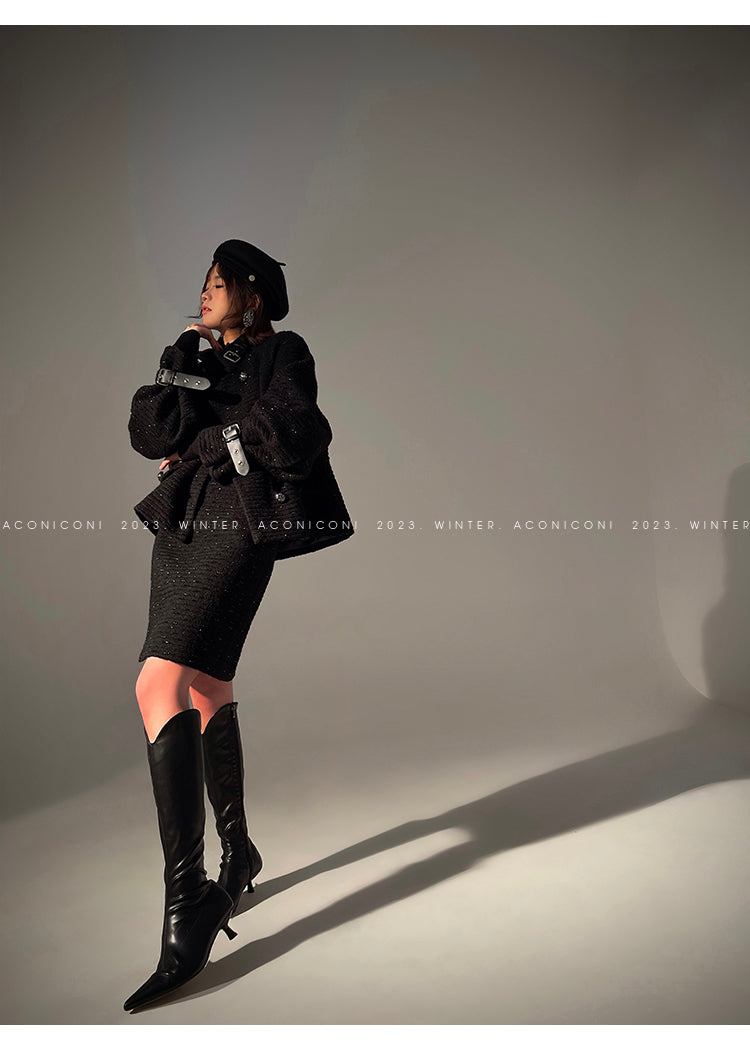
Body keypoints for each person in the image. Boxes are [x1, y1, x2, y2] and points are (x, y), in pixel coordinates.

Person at [124, 239, 354, 1012]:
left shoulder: (284, 352)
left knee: (156, 683)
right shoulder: (193, 359)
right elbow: (150, 433)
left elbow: (299, 428)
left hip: (236, 523)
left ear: (252, 295)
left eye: (219, 284)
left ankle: (188, 899)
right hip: (183, 526)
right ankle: (239, 850)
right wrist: (180, 362)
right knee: (205, 684)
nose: (206, 293)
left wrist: (217, 440)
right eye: (204, 283)